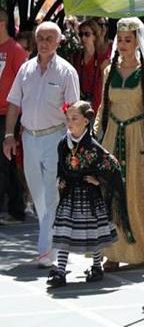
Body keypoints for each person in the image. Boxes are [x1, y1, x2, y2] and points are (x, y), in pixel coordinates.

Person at [3, 21, 80, 267]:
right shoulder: (25, 69)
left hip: (55, 137)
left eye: (49, 38)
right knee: (37, 193)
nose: (44, 42)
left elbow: (73, 109)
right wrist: (8, 135)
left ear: (58, 42)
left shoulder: (67, 71)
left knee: (51, 193)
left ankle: (47, 249)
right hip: (29, 138)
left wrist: (74, 142)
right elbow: (14, 103)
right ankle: (53, 240)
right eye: (41, 38)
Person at [95, 17, 144, 270]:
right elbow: (104, 105)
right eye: (120, 39)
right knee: (111, 193)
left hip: (137, 137)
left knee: (137, 192)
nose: (122, 44)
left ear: (137, 42)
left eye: (128, 40)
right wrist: (95, 136)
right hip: (113, 135)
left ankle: (143, 249)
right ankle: (113, 252)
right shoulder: (108, 70)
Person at [47, 101, 132, 288]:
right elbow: (61, 167)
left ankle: (96, 266)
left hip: (89, 195)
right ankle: (60, 271)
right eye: (68, 118)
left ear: (86, 121)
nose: (70, 122)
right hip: (70, 193)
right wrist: (60, 180)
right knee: (63, 230)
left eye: (74, 118)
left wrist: (98, 181)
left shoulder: (93, 146)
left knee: (94, 232)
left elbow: (113, 166)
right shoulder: (63, 143)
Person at [0, 8, 28, 223]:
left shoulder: (16, 50)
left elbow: (24, 84)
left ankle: (16, 209)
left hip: (8, 113)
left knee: (6, 162)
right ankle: (13, 207)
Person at [73, 19, 107, 112]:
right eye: (81, 34)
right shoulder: (76, 57)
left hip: (97, 106)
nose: (83, 38)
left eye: (87, 34)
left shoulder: (102, 59)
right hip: (80, 107)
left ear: (95, 36)